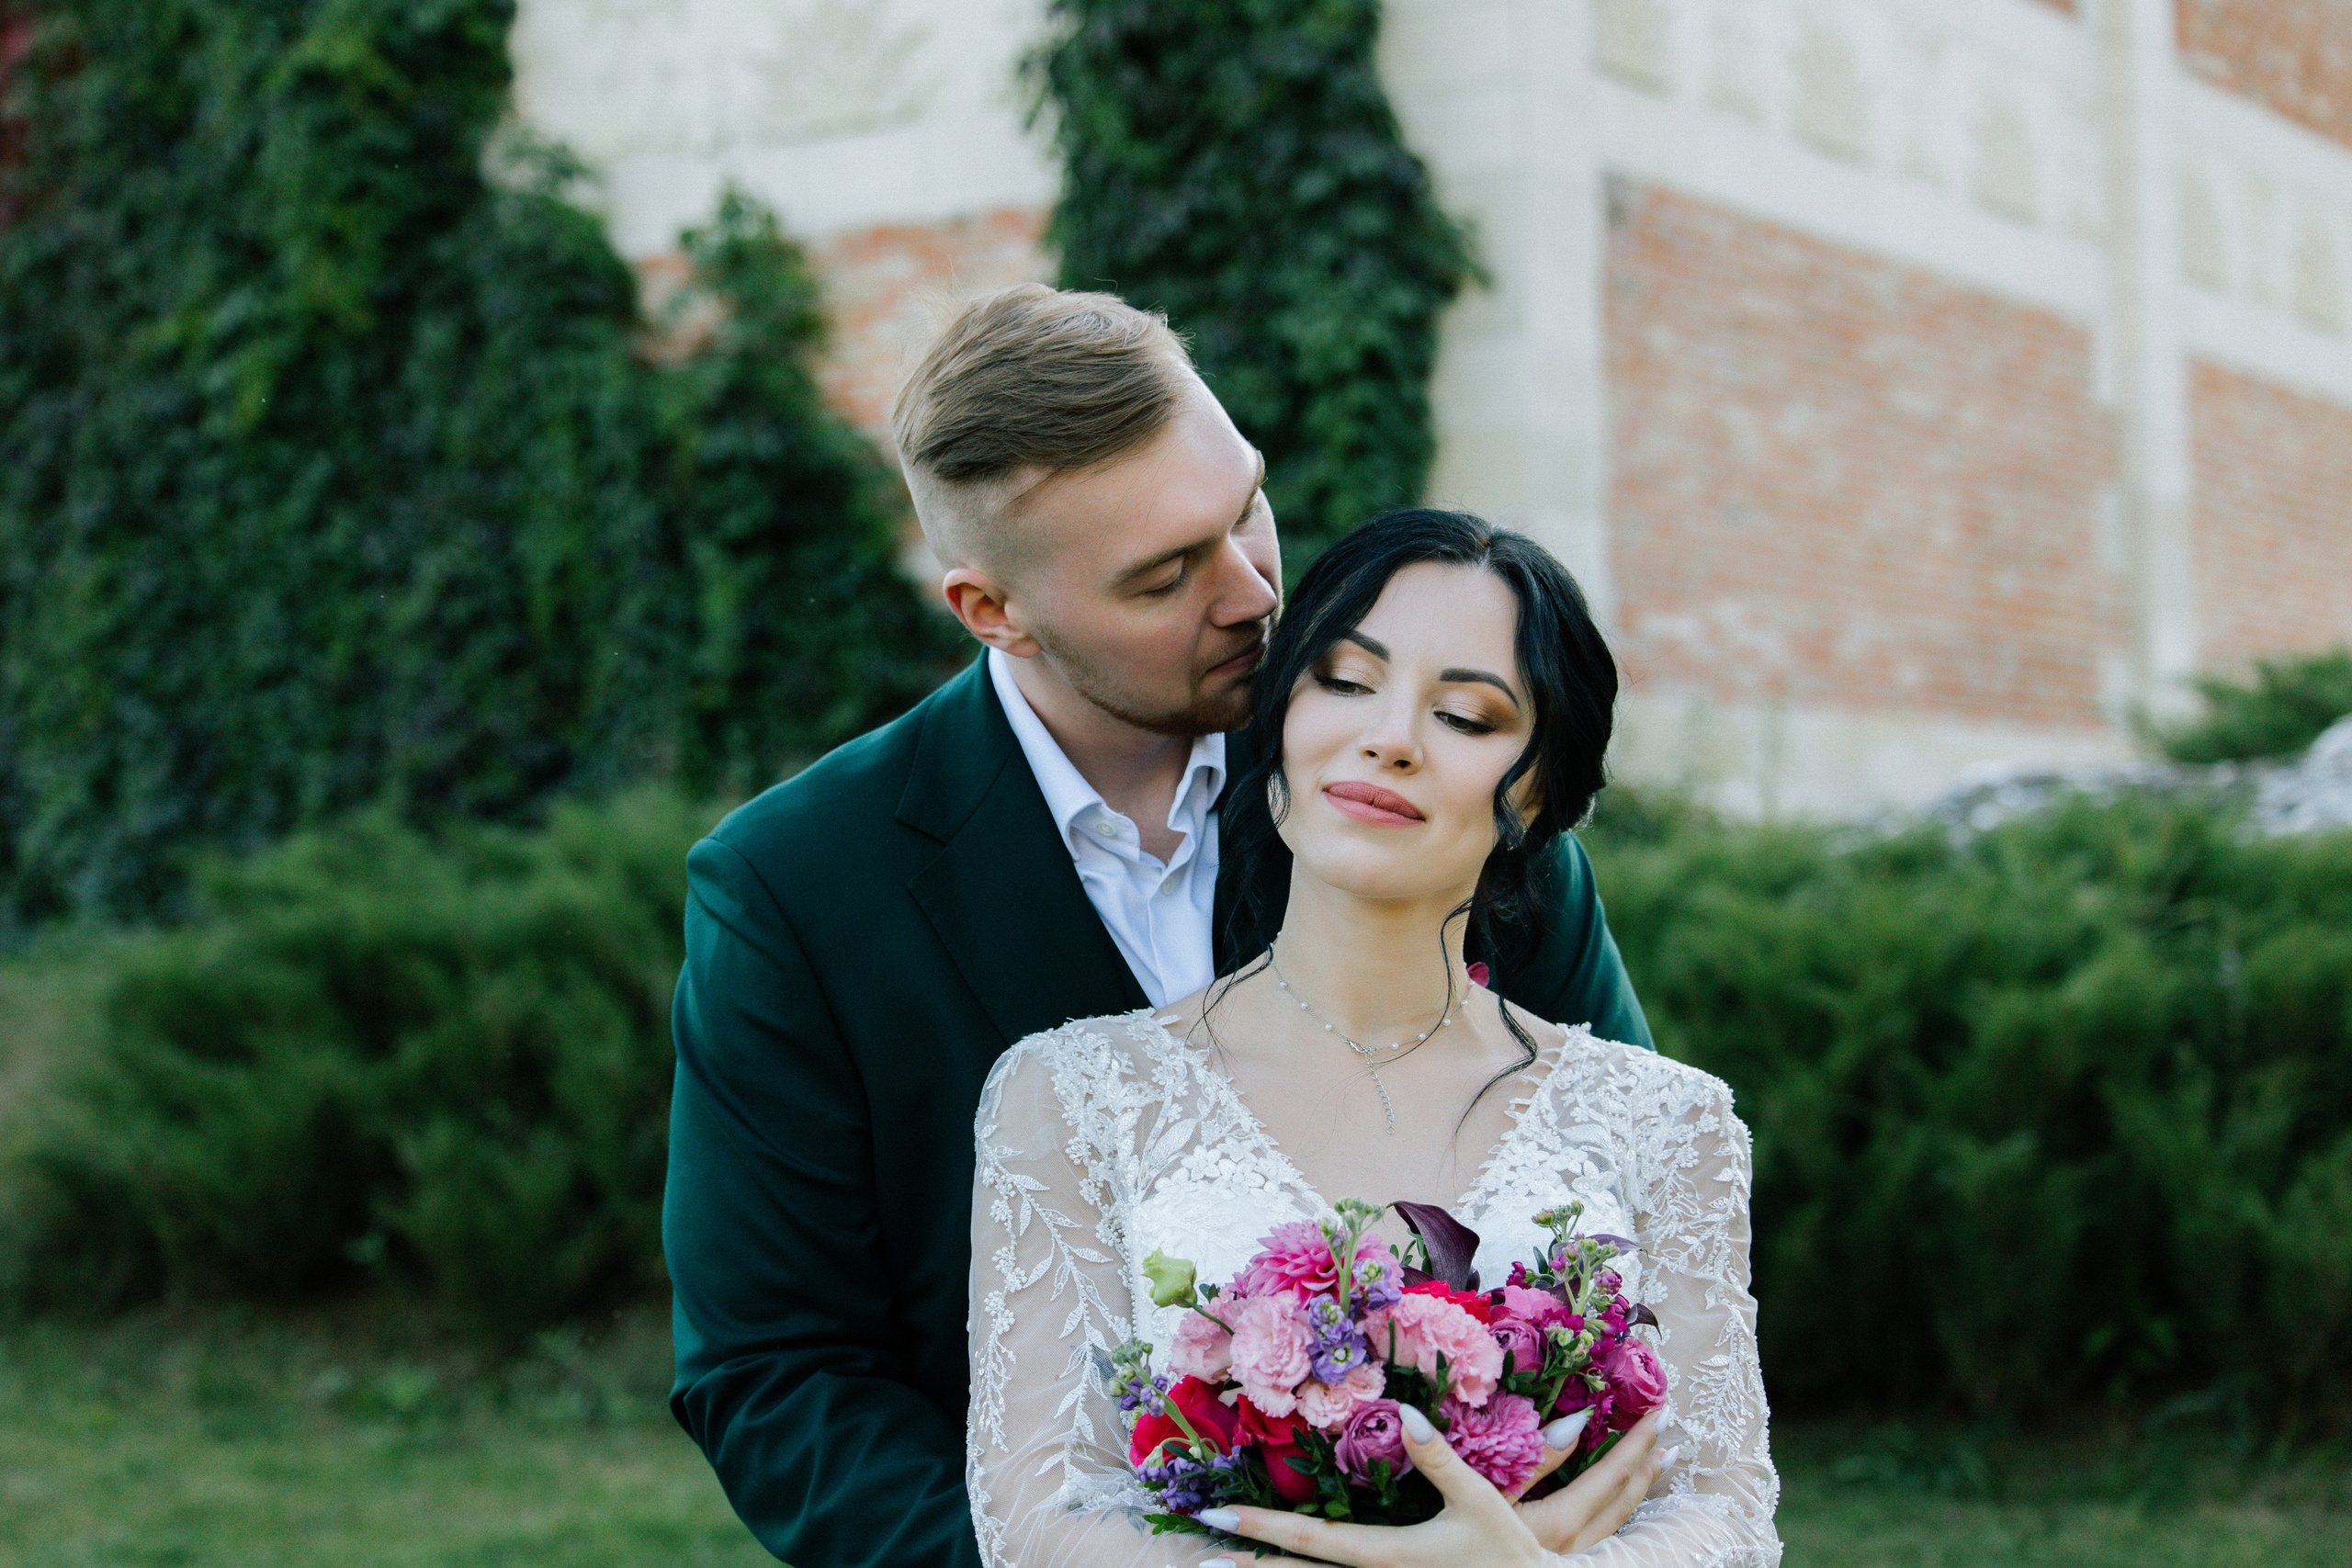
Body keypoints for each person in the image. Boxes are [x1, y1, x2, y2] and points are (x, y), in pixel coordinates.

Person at [664, 286, 1654, 1568]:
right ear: (992, 611)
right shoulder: (794, 891)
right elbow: (778, 1373)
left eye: (1244, 504)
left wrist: (1556, 1518)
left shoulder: (1446, 780)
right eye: (1164, 573)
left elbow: (1634, 1235)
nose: (1254, 591)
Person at [968, 510, 1778, 1567]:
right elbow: (1043, 1519)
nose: (1388, 737)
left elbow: (1723, 1515)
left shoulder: (1669, 1124)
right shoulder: (1070, 1095)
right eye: (1346, 683)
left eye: (1465, 715)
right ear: (1282, 718)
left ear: (1533, 796)